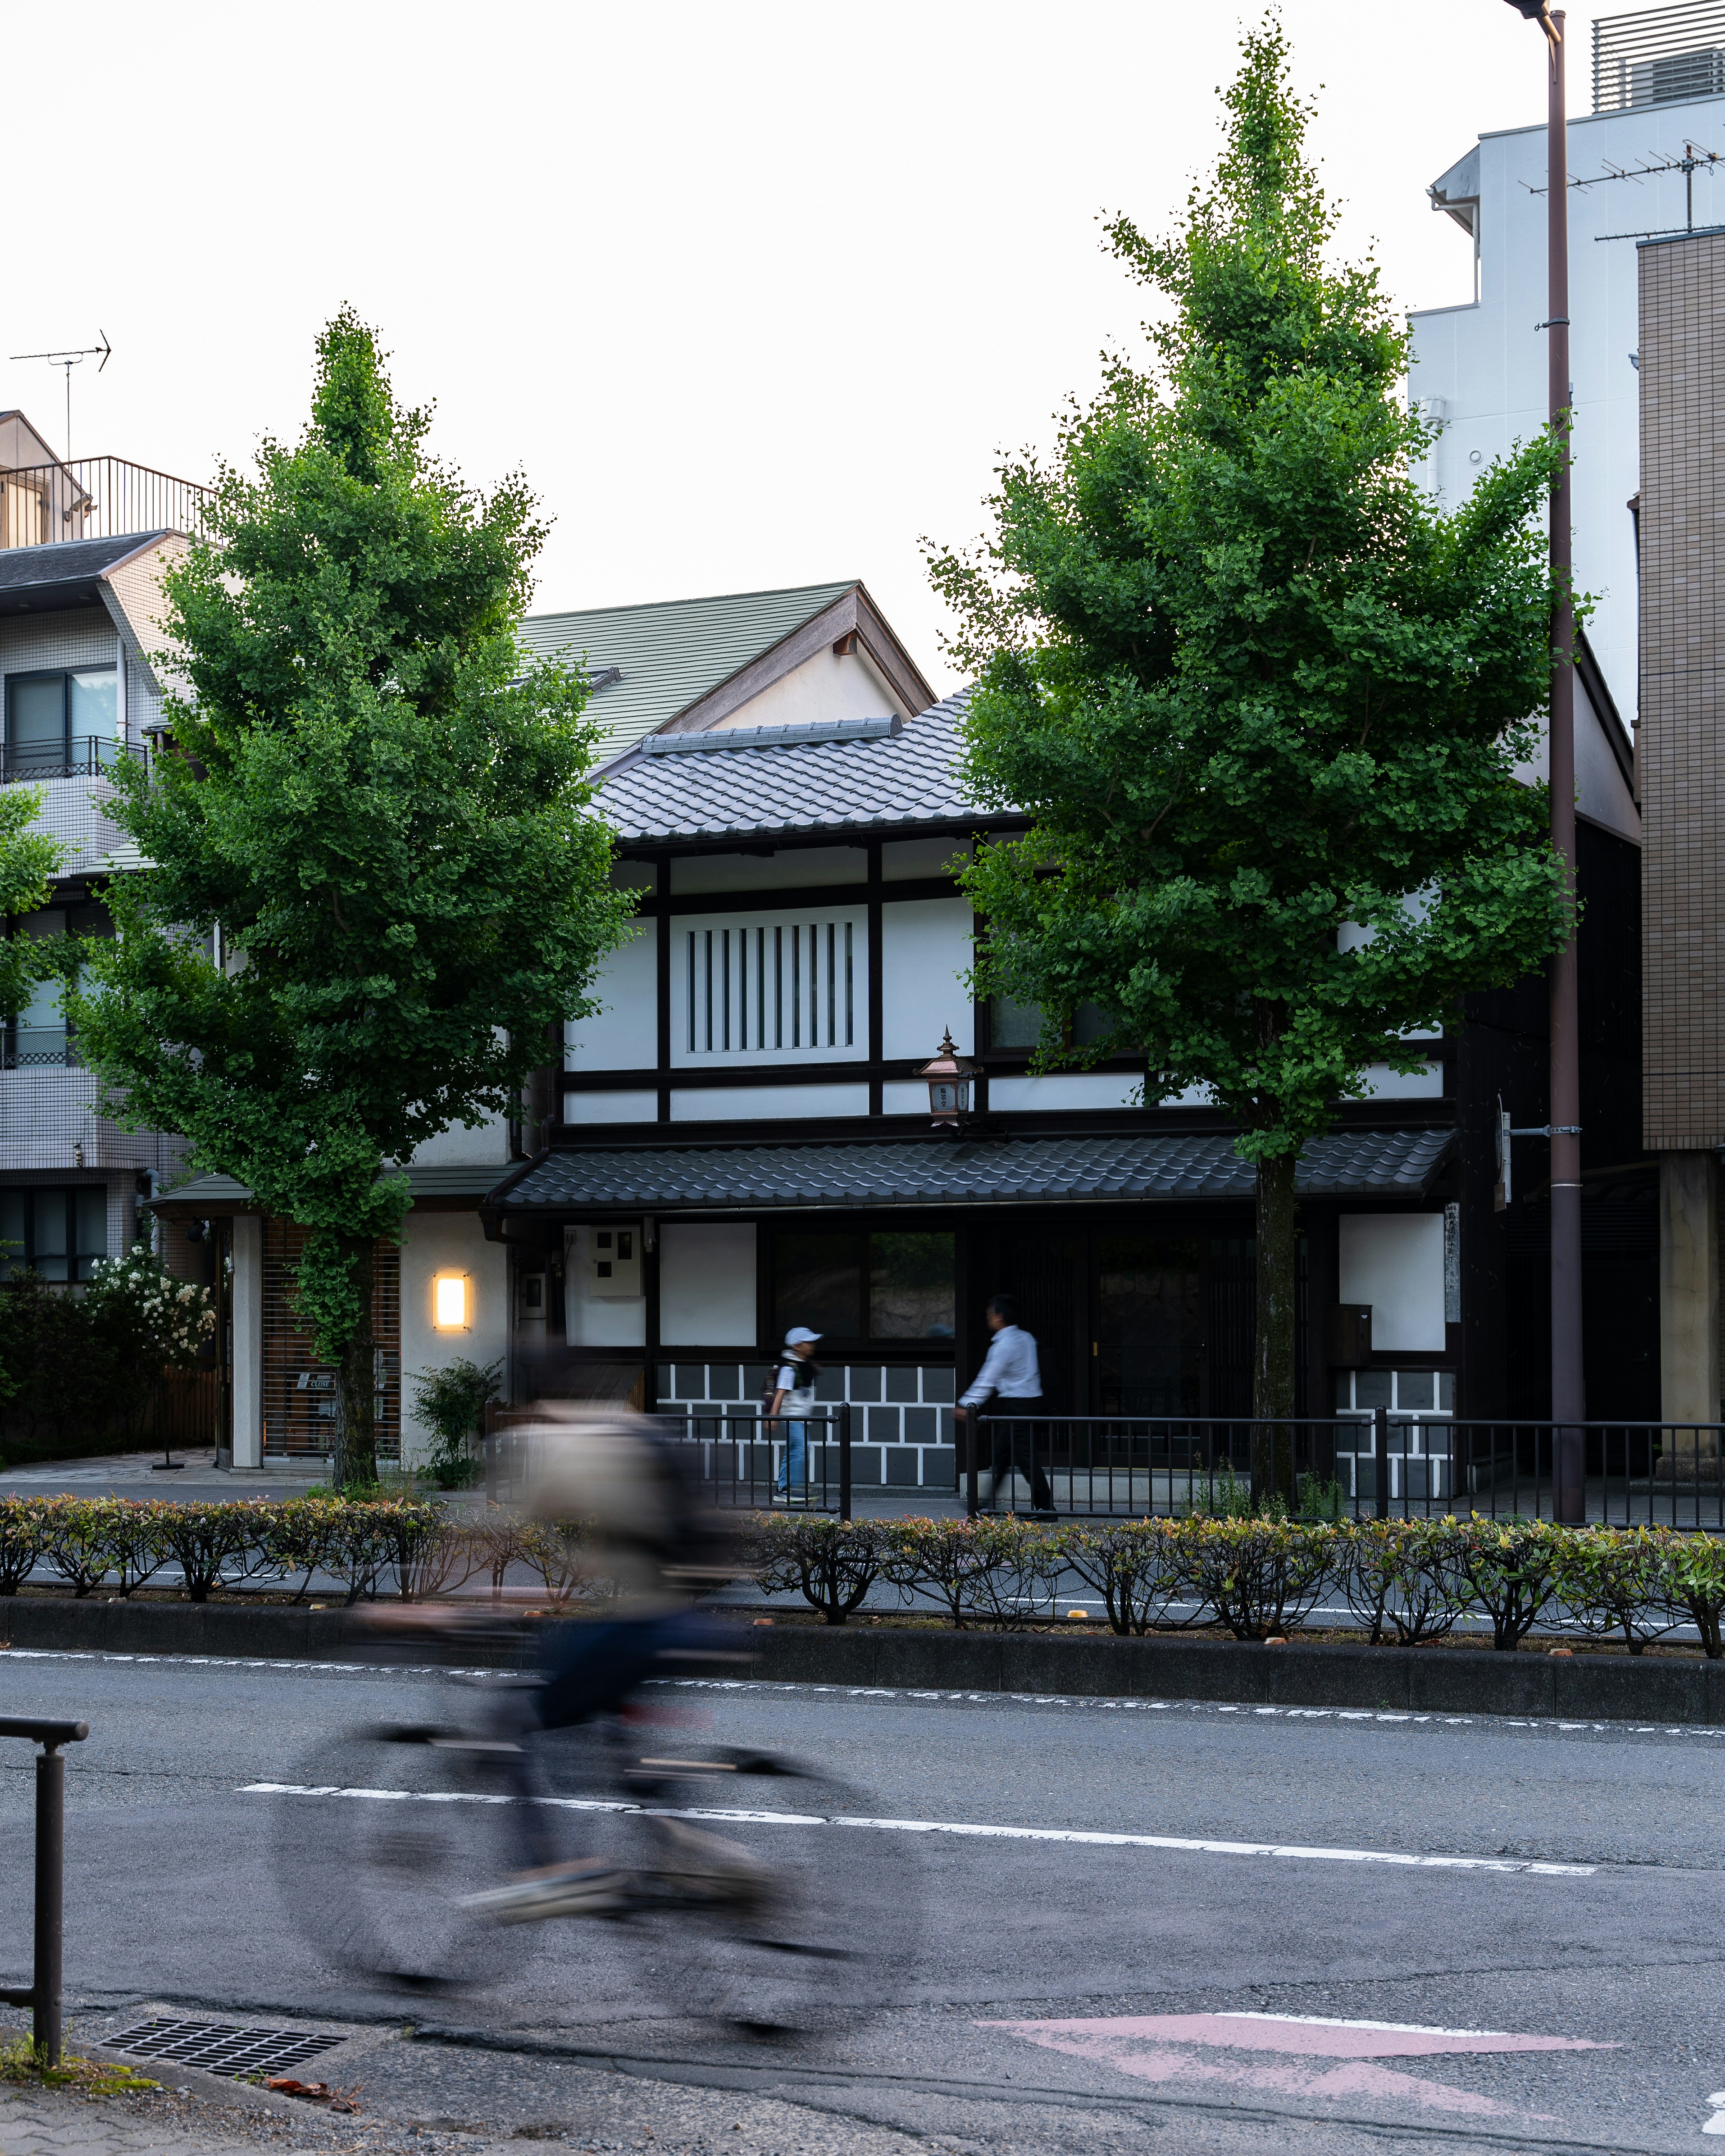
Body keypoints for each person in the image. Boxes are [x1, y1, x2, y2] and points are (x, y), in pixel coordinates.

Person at [464, 1401, 756, 1920]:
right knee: (604, 1718)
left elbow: (500, 1541)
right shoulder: (629, 1425)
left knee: (512, 1717)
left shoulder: (559, 1446)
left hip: (642, 1626)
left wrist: (431, 1612)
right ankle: (686, 1847)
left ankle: (550, 1872)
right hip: (691, 1622)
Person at [956, 1293, 1055, 1516]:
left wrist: (966, 1404)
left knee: (1025, 1459)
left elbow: (987, 1379)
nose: (988, 1318)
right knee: (1001, 1455)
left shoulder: (1004, 1345)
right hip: (1027, 1403)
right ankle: (983, 1505)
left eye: (990, 1314)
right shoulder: (1026, 1338)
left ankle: (1045, 1508)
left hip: (1016, 1405)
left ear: (999, 1316)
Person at [768, 1325, 820, 1502]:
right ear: (797, 1346)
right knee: (801, 1449)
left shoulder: (803, 1365)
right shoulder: (790, 1368)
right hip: (792, 1417)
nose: (812, 1345)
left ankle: (783, 1490)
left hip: (799, 1417)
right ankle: (794, 1489)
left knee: (793, 1451)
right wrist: (773, 1418)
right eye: (808, 1342)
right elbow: (780, 1393)